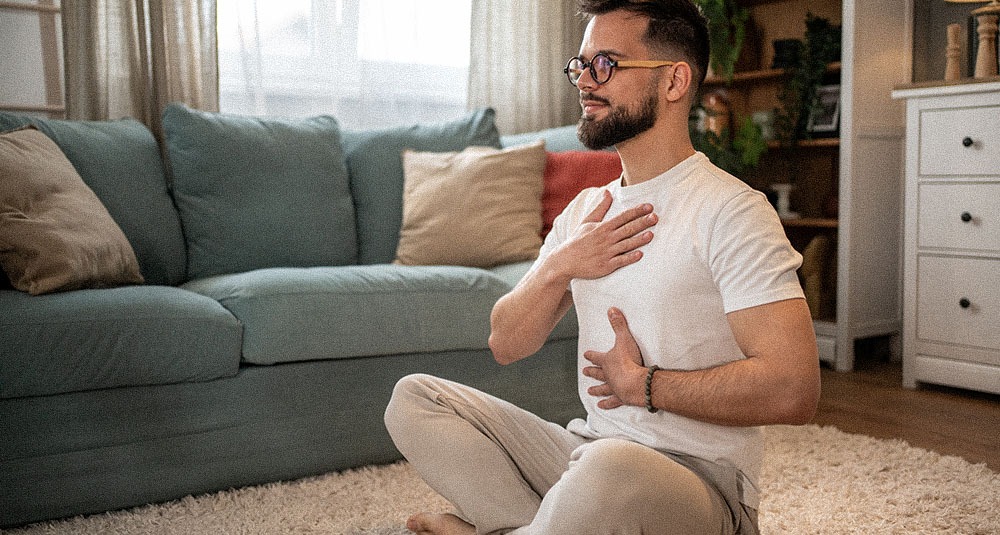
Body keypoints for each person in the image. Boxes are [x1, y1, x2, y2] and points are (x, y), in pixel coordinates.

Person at [383, 1, 821, 533]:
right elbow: (506, 343)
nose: (586, 83)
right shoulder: (585, 213)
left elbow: (795, 387)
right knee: (415, 400)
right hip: (586, 453)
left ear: (675, 80)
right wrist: (560, 266)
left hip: (700, 485)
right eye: (581, 65)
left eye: (607, 64)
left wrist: (646, 387)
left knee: (610, 469)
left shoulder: (732, 211)